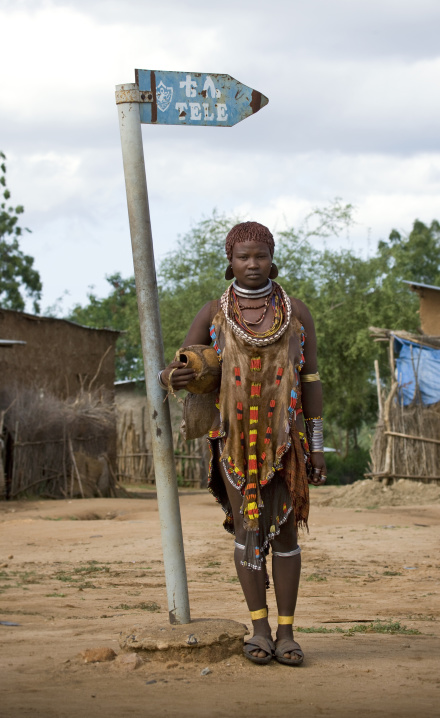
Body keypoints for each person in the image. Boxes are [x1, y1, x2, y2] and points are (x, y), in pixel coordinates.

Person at [160, 221, 326, 666]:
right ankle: (259, 628)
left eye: (261, 255)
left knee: (287, 532)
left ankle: (288, 632)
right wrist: (172, 375)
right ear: (229, 261)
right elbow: (183, 362)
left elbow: (310, 380)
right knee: (249, 529)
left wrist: (318, 443)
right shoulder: (214, 311)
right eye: (243, 256)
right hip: (232, 442)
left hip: (286, 445)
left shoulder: (297, 313)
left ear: (273, 257)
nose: (252, 264)